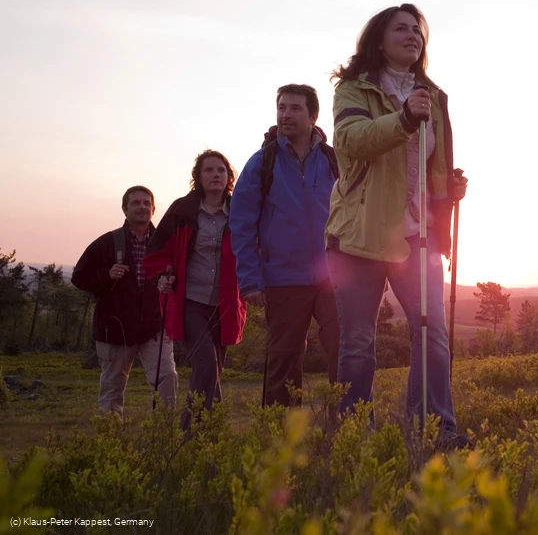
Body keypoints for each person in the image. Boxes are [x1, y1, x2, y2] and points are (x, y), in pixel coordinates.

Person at [326, 3, 470, 448]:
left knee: (433, 334)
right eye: (401, 28)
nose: (413, 36)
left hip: (417, 232)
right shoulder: (354, 89)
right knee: (357, 344)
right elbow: (351, 142)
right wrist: (405, 118)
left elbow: (435, 164)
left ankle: (433, 429)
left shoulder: (435, 95)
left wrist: (450, 190)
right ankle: (353, 434)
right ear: (379, 39)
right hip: (358, 235)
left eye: (418, 31)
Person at [230, 84, 340, 406]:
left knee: (345, 349)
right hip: (282, 278)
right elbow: (241, 224)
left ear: (313, 116)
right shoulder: (262, 162)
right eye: (281, 107)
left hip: (333, 277)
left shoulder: (335, 161)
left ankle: (348, 428)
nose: (285, 114)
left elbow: (357, 208)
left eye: (294, 108)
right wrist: (249, 279)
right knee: (284, 360)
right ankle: (279, 440)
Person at [144, 150, 247, 430]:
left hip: (225, 305)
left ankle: (211, 439)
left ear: (228, 177)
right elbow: (155, 253)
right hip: (190, 302)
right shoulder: (182, 211)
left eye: (221, 170)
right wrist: (161, 277)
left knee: (214, 371)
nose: (216, 175)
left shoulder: (240, 213)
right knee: (206, 366)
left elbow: (254, 250)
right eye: (209, 170)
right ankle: (190, 437)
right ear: (198, 178)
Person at [72, 186, 177, 417]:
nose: (142, 207)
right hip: (116, 328)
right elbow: (79, 277)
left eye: (146, 203)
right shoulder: (107, 243)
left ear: (153, 209)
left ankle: (165, 436)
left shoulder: (165, 243)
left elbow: (182, 275)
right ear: (124, 209)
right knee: (112, 387)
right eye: (136, 203)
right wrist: (106, 274)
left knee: (167, 377)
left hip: (154, 327)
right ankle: (109, 442)